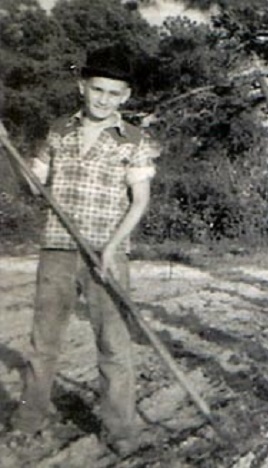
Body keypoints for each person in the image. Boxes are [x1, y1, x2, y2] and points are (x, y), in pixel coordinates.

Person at [10, 44, 159, 455]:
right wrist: (8, 151)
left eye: (114, 93)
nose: (104, 99)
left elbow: (140, 200)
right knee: (44, 342)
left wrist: (112, 247)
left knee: (114, 344)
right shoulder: (59, 130)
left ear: (125, 96)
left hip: (107, 256)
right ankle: (29, 417)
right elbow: (32, 182)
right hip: (58, 248)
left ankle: (122, 430)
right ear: (82, 87)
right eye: (97, 90)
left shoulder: (134, 139)